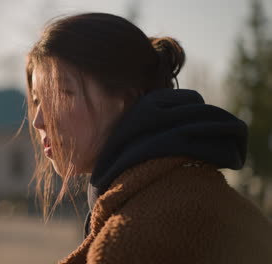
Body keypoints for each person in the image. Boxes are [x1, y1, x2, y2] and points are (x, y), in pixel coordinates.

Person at [25, 13, 272, 263]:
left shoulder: (130, 242)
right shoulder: (191, 190)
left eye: (61, 95)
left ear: (124, 98)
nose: (39, 121)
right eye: (37, 101)